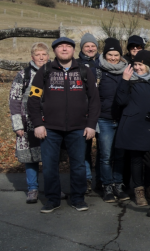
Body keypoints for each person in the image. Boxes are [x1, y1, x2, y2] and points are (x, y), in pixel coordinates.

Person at [28, 37, 100, 213]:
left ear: (73, 50)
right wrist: (38, 123)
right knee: (50, 165)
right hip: (49, 128)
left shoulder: (84, 71)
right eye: (60, 47)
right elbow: (33, 99)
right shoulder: (44, 71)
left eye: (68, 46)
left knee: (78, 165)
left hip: (78, 128)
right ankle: (52, 200)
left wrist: (91, 124)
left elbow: (95, 100)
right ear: (55, 51)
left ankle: (78, 198)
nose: (65, 49)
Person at [115, 50, 150, 206]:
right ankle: (139, 190)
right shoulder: (129, 80)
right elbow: (121, 101)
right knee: (136, 159)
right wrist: (124, 80)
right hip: (134, 125)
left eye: (141, 65)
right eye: (135, 64)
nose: (137, 68)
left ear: (149, 66)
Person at [9, 42, 49, 203]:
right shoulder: (23, 75)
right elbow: (14, 100)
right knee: (30, 158)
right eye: (37, 54)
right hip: (28, 124)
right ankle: (33, 188)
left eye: (44, 54)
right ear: (32, 57)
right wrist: (18, 125)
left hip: (50, 123)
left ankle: (52, 188)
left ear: (48, 56)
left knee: (49, 158)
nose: (41, 57)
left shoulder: (53, 72)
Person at [97, 38, 130, 203]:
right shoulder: (99, 69)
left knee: (120, 155)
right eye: (110, 54)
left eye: (116, 54)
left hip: (122, 119)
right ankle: (107, 186)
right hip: (105, 119)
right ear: (105, 54)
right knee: (106, 155)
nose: (113, 58)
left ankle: (118, 184)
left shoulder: (127, 70)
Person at [77, 33, 100, 193]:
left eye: (93, 46)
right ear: (82, 48)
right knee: (84, 148)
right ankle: (86, 179)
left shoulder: (103, 62)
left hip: (103, 111)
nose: (90, 48)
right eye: (87, 46)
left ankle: (100, 179)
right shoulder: (76, 63)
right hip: (83, 111)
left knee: (103, 149)